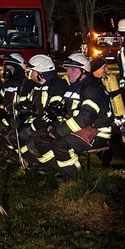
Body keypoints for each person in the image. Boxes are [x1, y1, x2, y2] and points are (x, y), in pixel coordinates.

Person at [30, 53, 112, 181]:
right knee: (39, 137)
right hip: (79, 127)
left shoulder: (93, 88)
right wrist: (54, 124)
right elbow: (68, 113)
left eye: (73, 69)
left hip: (98, 131)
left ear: (84, 71)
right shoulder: (73, 87)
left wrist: (59, 131)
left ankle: (76, 178)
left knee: (60, 144)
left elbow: (86, 117)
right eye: (67, 69)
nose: (69, 73)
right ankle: (57, 169)